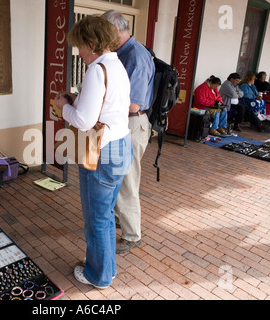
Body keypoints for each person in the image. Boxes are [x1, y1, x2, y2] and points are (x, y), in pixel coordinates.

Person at [53, 15, 132, 289]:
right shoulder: (116, 65)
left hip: (101, 152)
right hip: (121, 146)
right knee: (106, 216)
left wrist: (62, 106)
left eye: (80, 46)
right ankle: (107, 269)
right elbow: (106, 106)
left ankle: (97, 276)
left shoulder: (96, 70)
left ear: (91, 42)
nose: (79, 52)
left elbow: (85, 121)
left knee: (96, 220)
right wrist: (76, 101)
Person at [103, 10, 155, 254]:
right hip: (125, 123)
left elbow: (133, 104)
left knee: (127, 182)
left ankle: (133, 235)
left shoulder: (135, 56)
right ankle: (119, 219)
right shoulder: (121, 54)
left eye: (104, 33)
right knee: (119, 177)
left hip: (133, 123)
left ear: (115, 31)